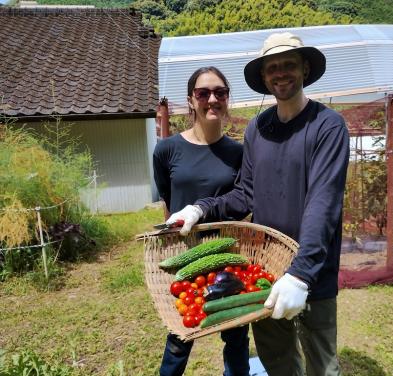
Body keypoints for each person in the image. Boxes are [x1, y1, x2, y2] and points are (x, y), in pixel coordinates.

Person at [166, 32, 349, 376]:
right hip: (266, 270)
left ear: (305, 69)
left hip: (313, 272)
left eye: (288, 65)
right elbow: (244, 194)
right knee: (277, 361)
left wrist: (301, 274)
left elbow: (323, 202)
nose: (280, 73)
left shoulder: (328, 126)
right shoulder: (257, 129)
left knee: (322, 365)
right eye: (272, 68)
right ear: (264, 77)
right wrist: (200, 208)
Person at [153, 66, 250, 376]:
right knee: (180, 335)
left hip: (227, 254)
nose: (212, 99)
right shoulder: (167, 149)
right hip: (185, 254)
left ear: (227, 99)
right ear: (191, 100)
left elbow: (241, 202)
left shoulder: (239, 152)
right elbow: (169, 202)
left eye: (220, 92)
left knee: (236, 335)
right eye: (203, 93)